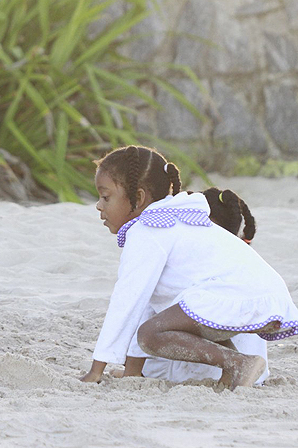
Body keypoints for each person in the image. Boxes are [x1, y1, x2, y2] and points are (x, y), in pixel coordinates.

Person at [80, 146, 298, 390]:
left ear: (139, 198)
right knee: (181, 317)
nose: (99, 206)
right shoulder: (179, 219)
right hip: (264, 295)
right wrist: (132, 374)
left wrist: (96, 370)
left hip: (237, 296)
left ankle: (238, 362)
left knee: (150, 336)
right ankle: (235, 369)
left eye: (106, 197)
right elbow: (147, 306)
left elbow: (127, 302)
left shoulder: (147, 231)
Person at [113, 187, 269, 384]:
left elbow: (143, 310)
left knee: (151, 329)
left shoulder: (185, 262)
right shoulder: (241, 264)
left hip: (197, 373)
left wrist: (131, 373)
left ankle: (235, 363)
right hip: (257, 374)